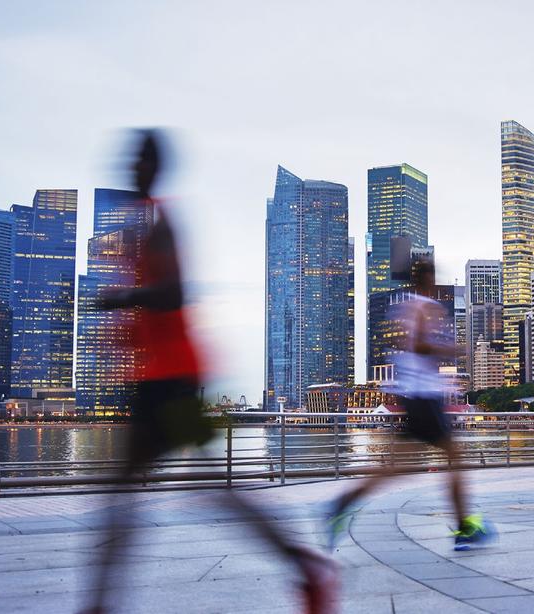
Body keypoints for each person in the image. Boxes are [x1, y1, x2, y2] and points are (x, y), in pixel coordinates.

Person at [84, 131, 335, 614]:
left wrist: (121, 299)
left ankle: (306, 564)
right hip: (159, 380)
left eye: (138, 159)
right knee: (168, 489)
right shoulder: (148, 224)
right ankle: (305, 565)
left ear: (151, 167)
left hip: (170, 382)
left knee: (186, 490)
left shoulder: (160, 226)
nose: (129, 167)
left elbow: (174, 294)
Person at [325, 257, 495, 552]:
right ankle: (465, 527)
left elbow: (406, 347)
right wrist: (450, 349)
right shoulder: (423, 307)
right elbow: (417, 345)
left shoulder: (404, 306)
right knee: (455, 458)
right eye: (432, 277)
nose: (434, 283)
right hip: (425, 397)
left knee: (397, 465)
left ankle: (343, 502)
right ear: (426, 279)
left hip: (417, 397)